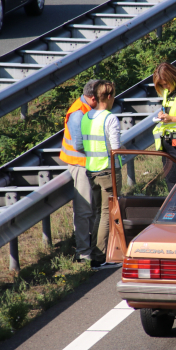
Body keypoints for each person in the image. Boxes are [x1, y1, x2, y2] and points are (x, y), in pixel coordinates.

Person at [77, 80, 122, 270]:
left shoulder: (86, 117)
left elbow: (80, 145)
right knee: (106, 214)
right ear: (109, 96)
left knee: (97, 213)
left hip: (92, 170)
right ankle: (100, 256)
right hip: (107, 170)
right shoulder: (110, 118)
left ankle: (98, 254)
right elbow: (116, 148)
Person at [60, 80, 98, 263]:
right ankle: (83, 254)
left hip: (89, 164)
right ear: (92, 98)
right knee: (84, 211)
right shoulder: (78, 114)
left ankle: (91, 247)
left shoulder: (88, 108)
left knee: (93, 209)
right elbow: (80, 145)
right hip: (81, 165)